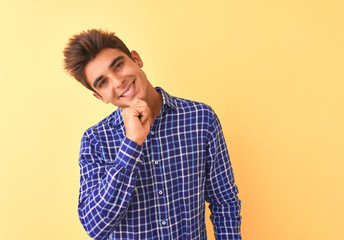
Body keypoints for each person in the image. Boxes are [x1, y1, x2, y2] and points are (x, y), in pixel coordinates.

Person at [63, 29, 241, 240]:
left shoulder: (201, 118)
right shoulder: (95, 141)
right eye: (103, 82)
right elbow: (95, 226)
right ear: (99, 96)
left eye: (118, 65)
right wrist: (131, 144)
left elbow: (224, 202)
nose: (118, 82)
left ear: (136, 59)